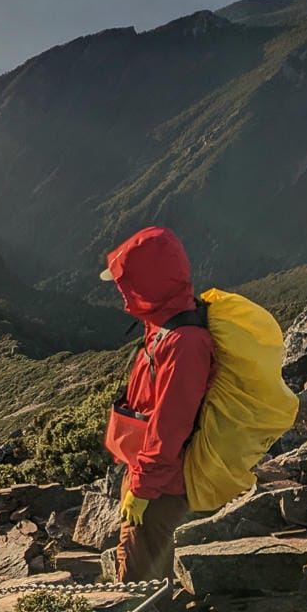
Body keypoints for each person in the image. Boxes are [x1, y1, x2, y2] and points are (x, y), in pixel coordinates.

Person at [100, 227, 215, 582]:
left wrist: (143, 488)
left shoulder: (184, 343)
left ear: (150, 283)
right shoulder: (165, 323)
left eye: (128, 285)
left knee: (139, 581)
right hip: (151, 473)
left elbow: (170, 425)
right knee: (137, 566)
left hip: (162, 485)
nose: (123, 294)